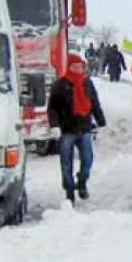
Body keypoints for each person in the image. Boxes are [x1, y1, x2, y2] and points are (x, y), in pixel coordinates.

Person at [48, 54, 107, 204]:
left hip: (84, 127)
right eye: (74, 66)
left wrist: (101, 121)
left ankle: (82, 183)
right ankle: (69, 191)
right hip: (67, 129)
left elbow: (94, 103)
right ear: (69, 67)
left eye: (80, 66)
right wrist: (54, 125)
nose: (77, 69)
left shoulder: (87, 83)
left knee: (87, 159)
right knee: (66, 162)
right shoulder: (60, 85)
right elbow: (53, 108)